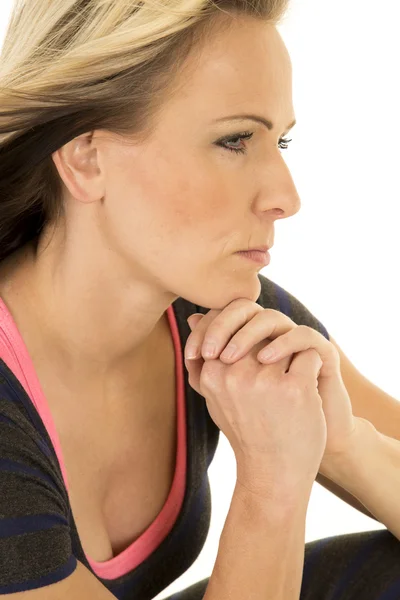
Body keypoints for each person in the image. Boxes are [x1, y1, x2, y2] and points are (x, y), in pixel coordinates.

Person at [0, 1, 399, 599]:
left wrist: (340, 442)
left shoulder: (229, 324)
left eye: (281, 142)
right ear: (86, 158)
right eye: (235, 140)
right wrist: (271, 487)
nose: (286, 198)